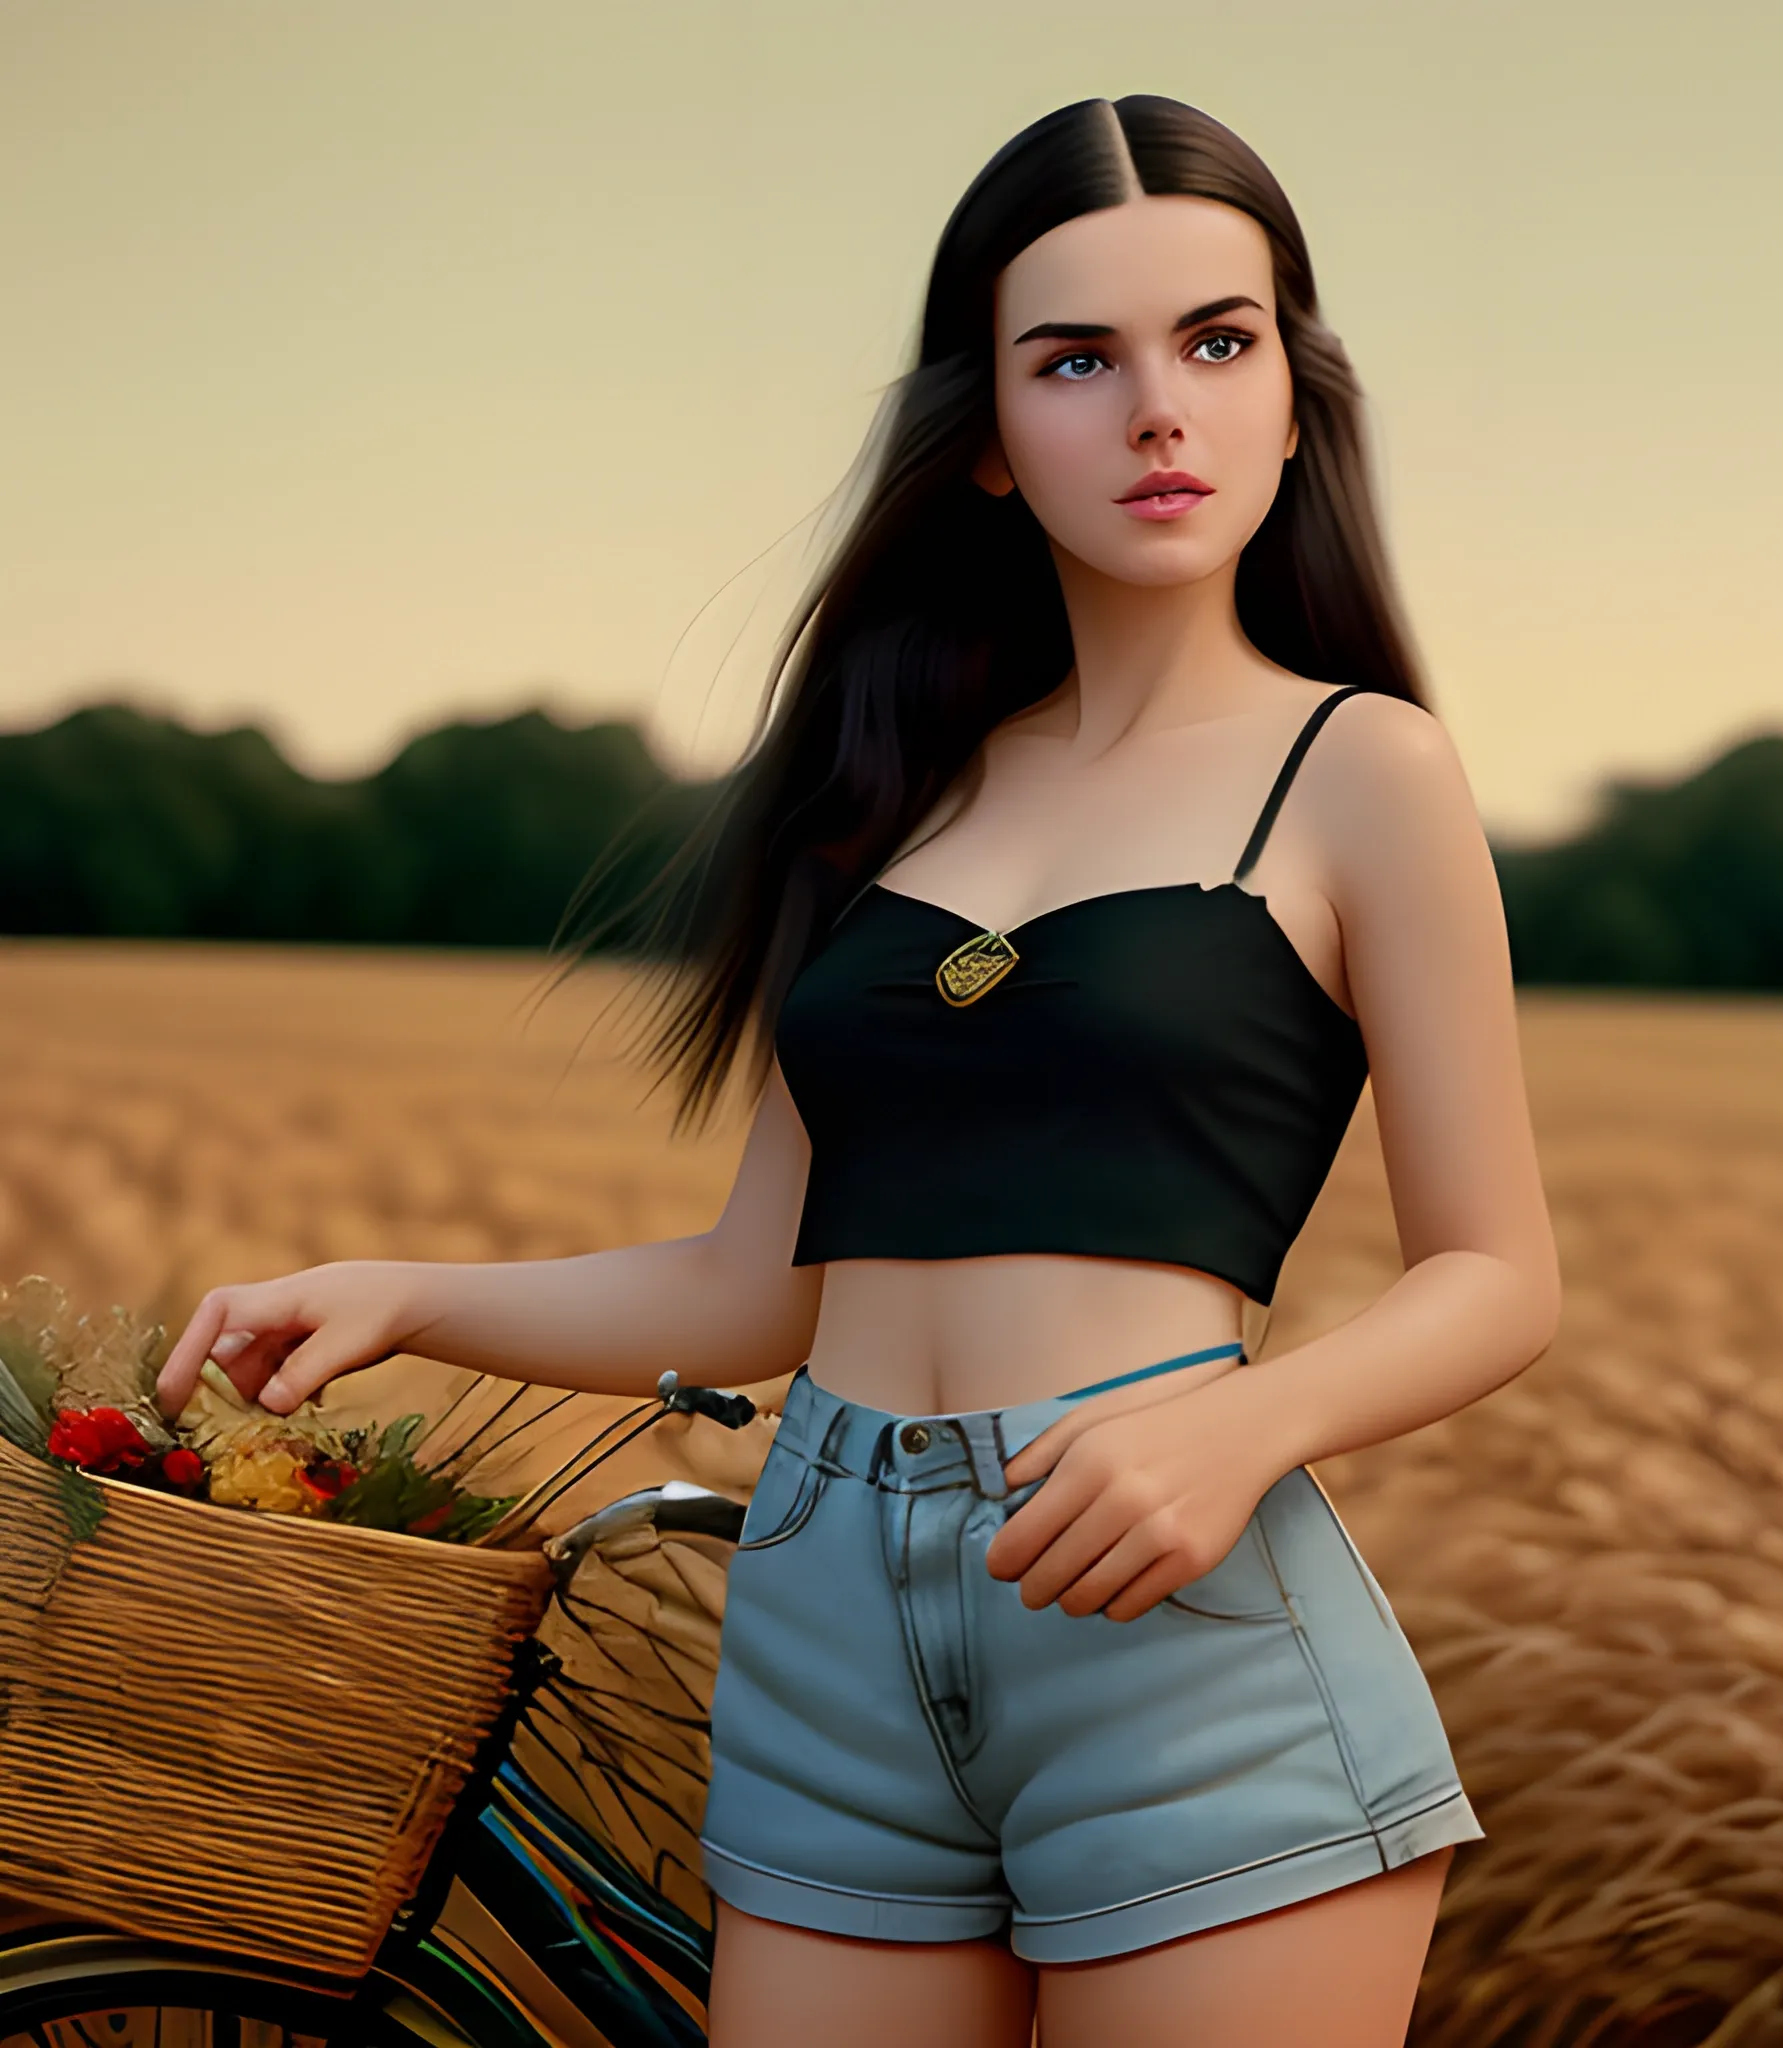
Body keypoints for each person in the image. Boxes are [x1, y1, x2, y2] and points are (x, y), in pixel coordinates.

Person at [156, 95, 1559, 2048]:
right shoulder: (889, 802)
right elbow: (756, 1286)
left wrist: (1239, 1426)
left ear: (1294, 396)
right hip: (823, 1627)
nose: (1160, 410)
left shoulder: (1362, 774)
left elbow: (1498, 1270)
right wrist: (407, 1295)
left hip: (1165, 1618)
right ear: (985, 436)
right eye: (1077, 358)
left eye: (1215, 342)